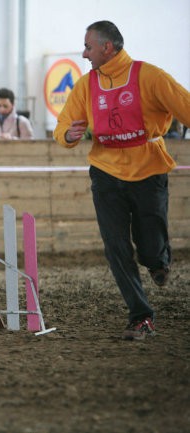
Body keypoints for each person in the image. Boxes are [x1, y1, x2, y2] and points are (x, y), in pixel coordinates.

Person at [53, 20, 190, 340]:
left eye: (88, 46)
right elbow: (63, 126)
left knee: (151, 247)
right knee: (115, 246)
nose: (84, 53)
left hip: (148, 170)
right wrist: (68, 135)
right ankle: (141, 316)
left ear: (107, 47)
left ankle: (158, 261)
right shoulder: (86, 85)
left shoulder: (149, 76)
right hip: (105, 173)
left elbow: (186, 106)